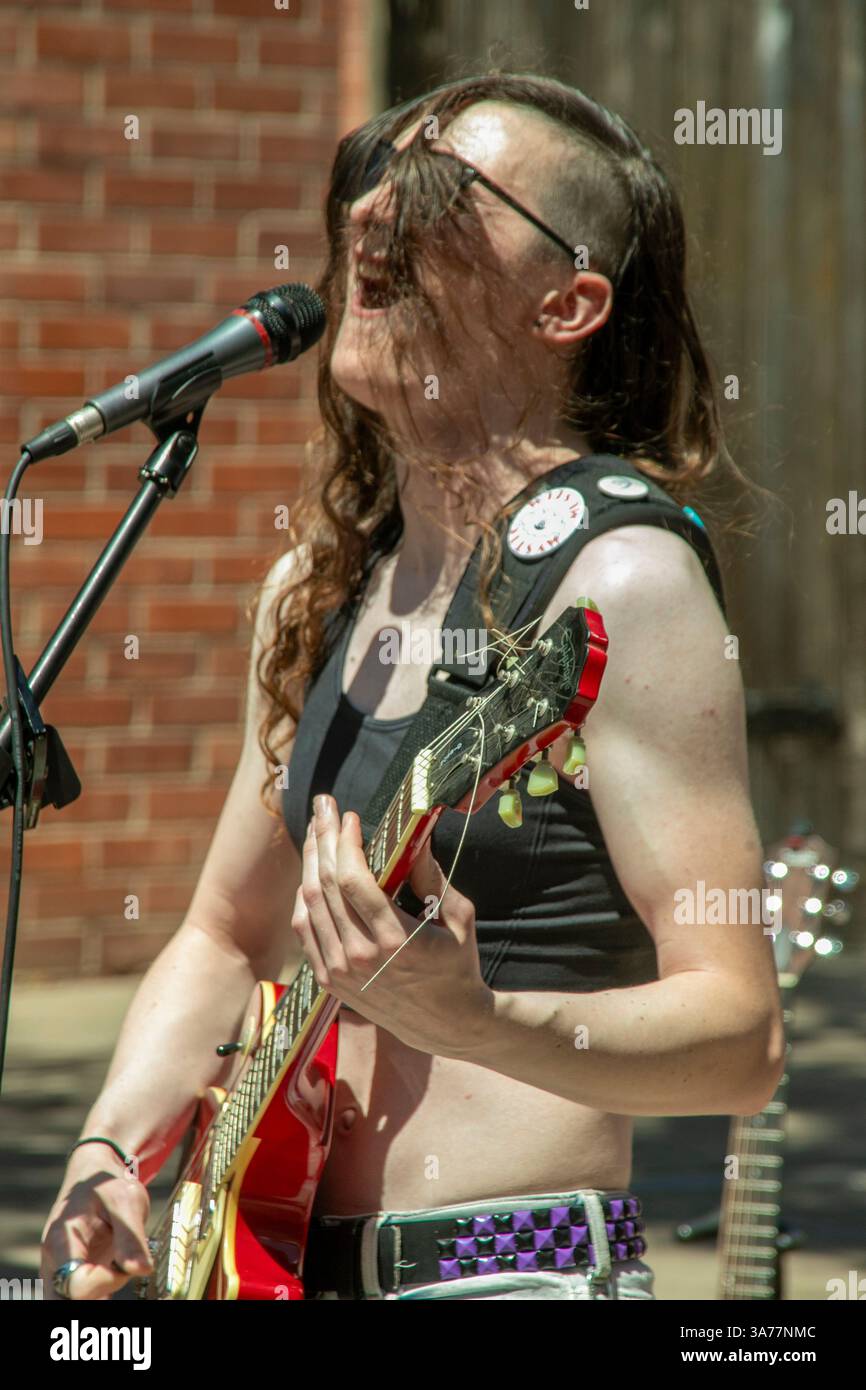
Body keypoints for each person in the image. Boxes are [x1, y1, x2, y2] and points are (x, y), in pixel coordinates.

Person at [41, 71, 784, 1302]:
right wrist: (110, 1153)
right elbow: (223, 934)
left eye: (442, 192)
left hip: (506, 1273)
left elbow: (742, 1041)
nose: (372, 214)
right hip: (273, 1267)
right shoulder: (318, 588)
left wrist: (475, 1016)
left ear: (568, 303)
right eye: (370, 176)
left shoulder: (621, 581)